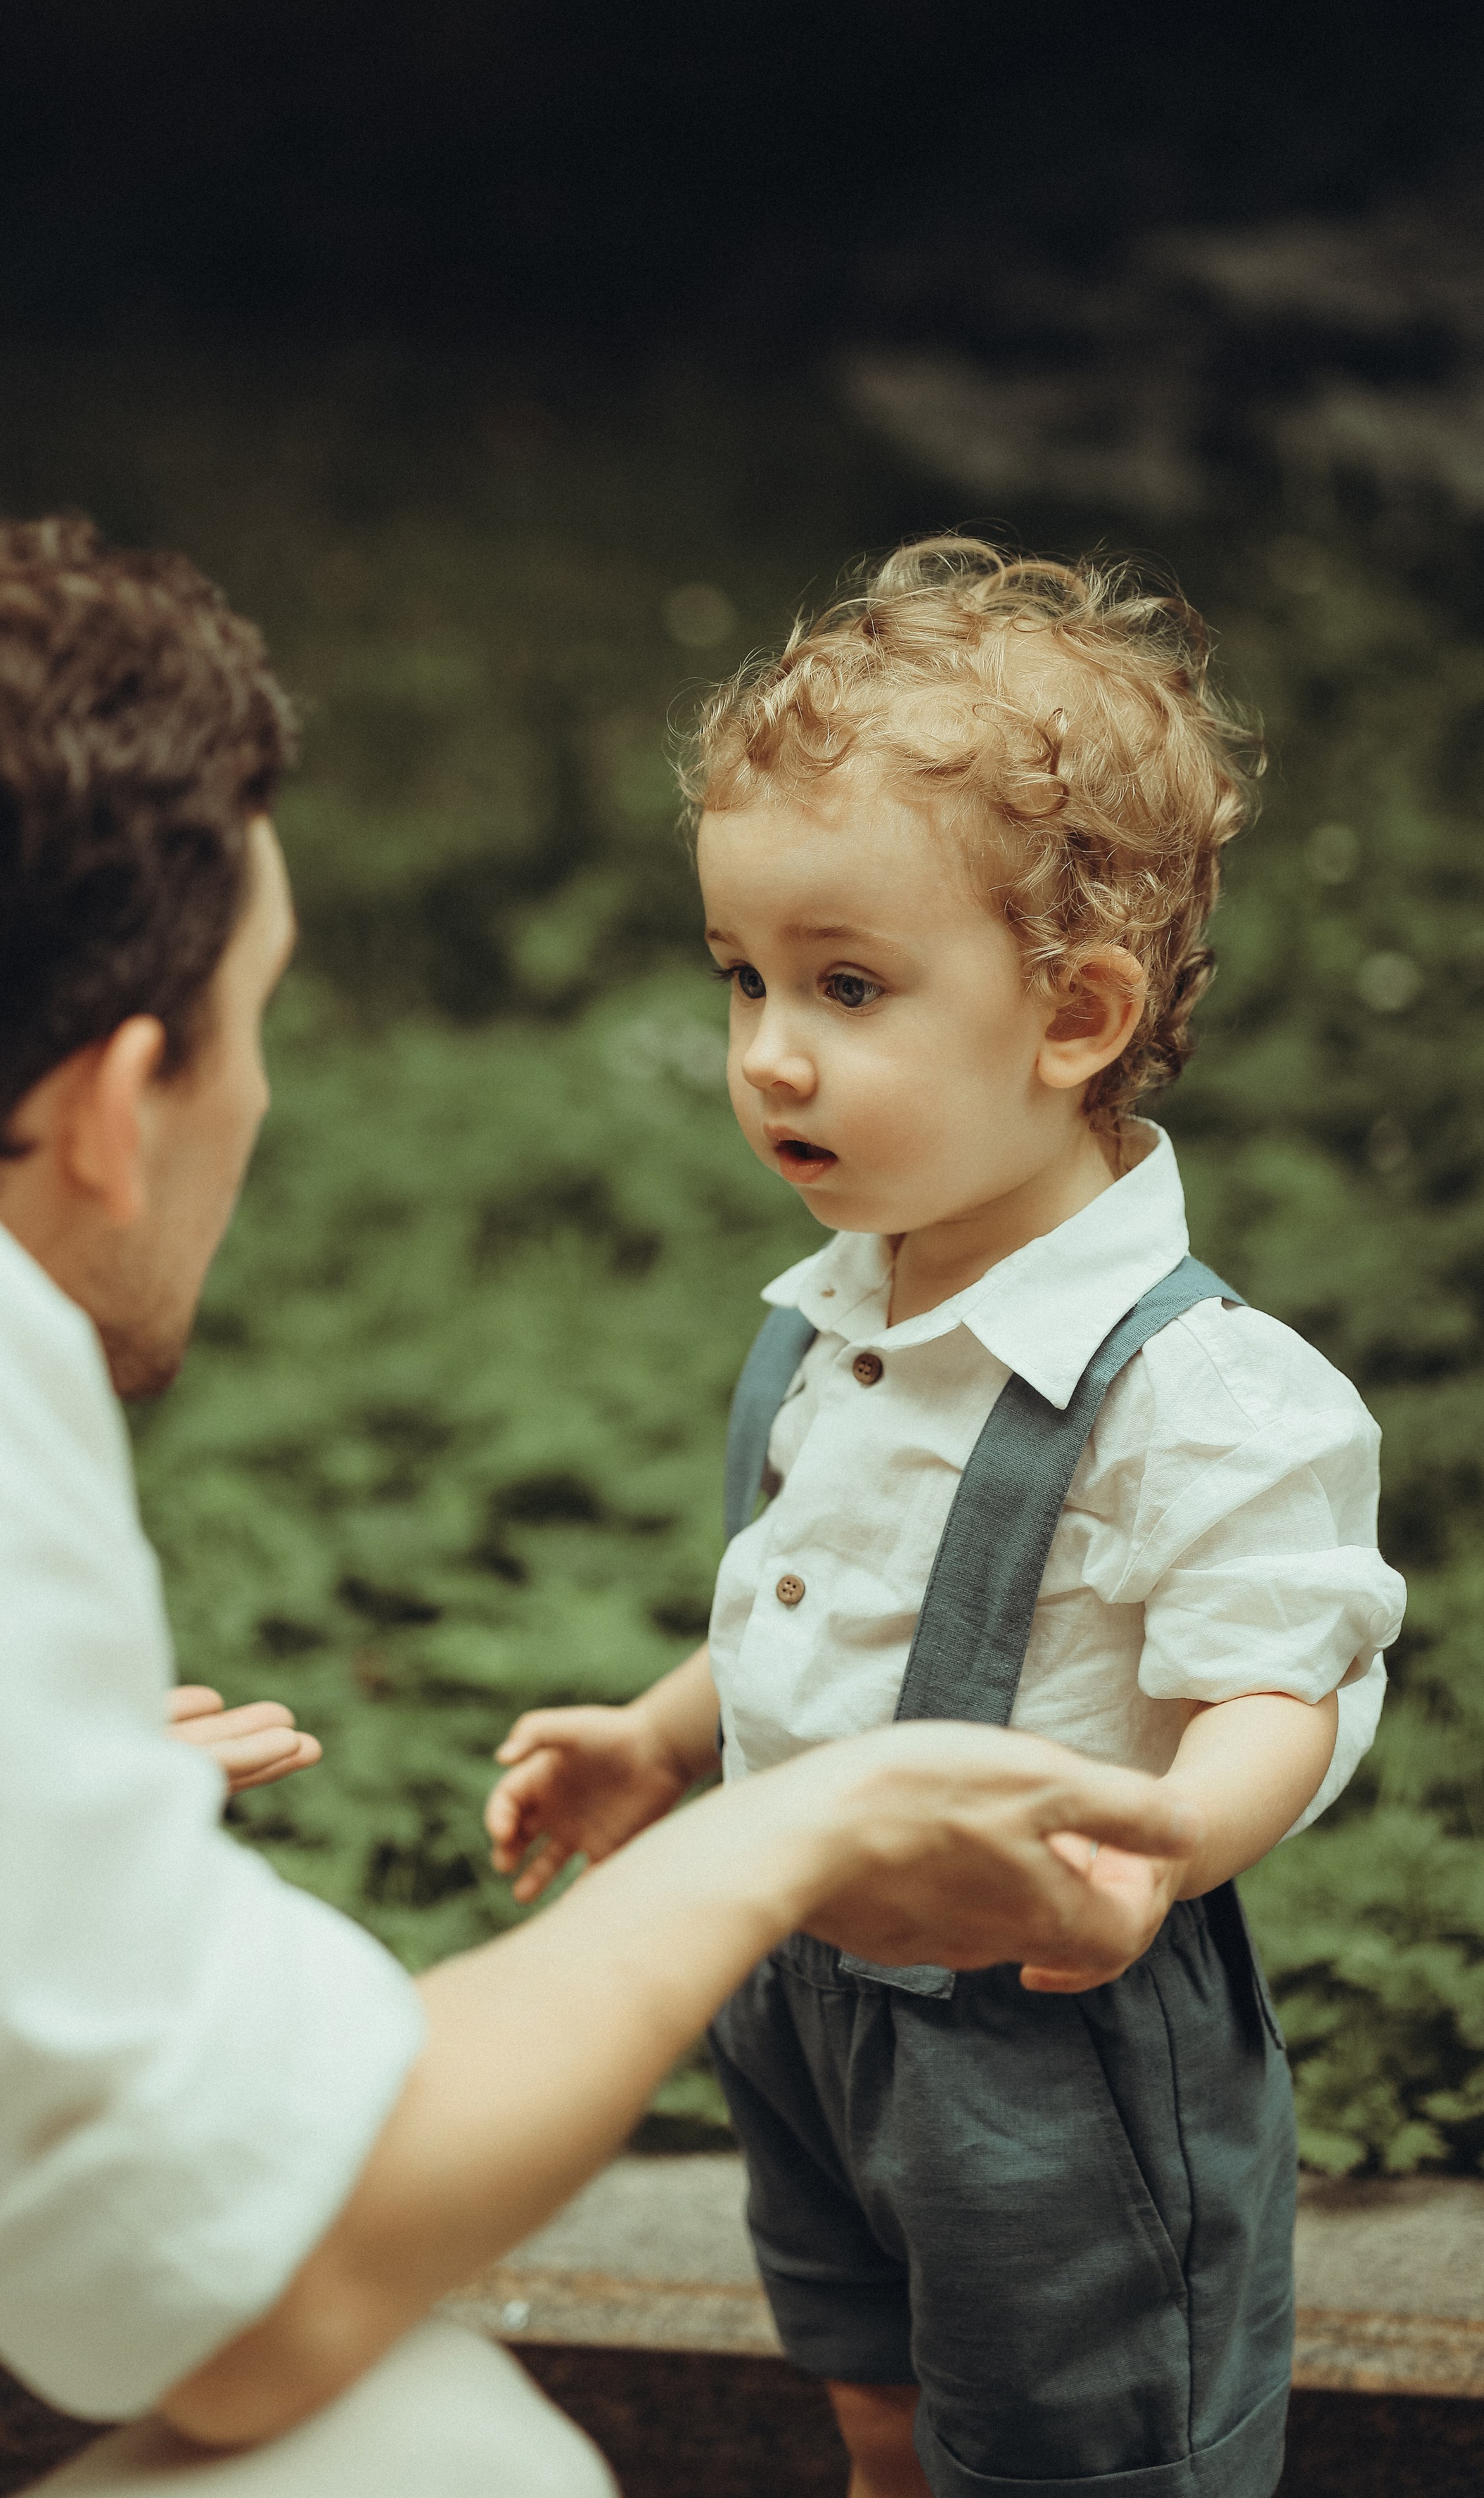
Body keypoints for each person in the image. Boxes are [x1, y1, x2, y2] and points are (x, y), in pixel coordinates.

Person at [0, 508, 1208, 2498]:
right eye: (260, 1017)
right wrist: (793, 1826)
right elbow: (264, 2294)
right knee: (425, 2456)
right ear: (111, 1099)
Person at [487, 539, 1407, 2498]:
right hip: (806, 2008)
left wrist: (1173, 1843)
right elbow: (832, 1595)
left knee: (1081, 2437)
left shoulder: (1198, 1396)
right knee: (875, 2370)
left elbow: (1283, 1681)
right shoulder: (854, 1304)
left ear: (1073, 1014)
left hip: (1044, 2052)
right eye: (741, 977)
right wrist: (667, 1736)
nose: (767, 1054)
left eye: (845, 985)